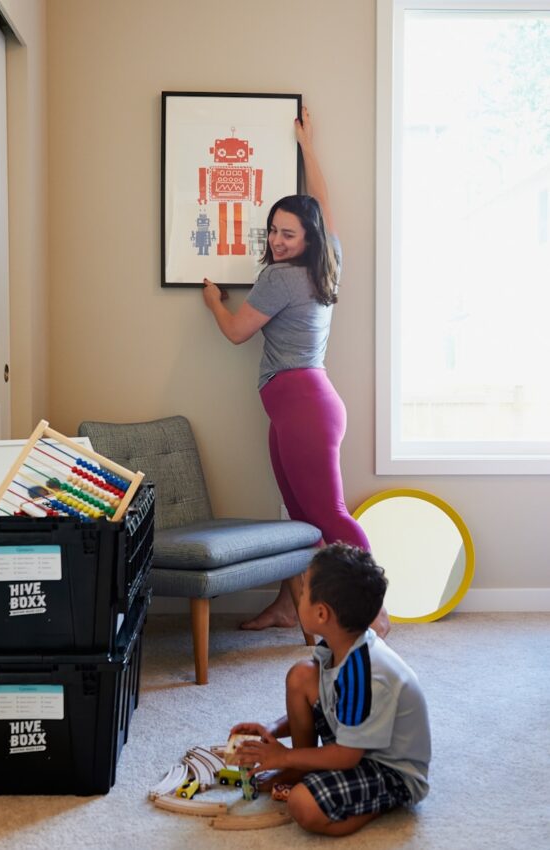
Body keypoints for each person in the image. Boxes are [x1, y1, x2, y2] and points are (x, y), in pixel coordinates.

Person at [202, 106, 389, 636]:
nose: (278, 241)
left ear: (306, 237)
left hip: (303, 407)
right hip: (301, 407)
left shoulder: (281, 279)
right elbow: (324, 205)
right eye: (274, 232)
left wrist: (215, 302)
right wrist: (307, 146)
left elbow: (238, 331)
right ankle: (291, 605)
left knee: (328, 515)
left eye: (289, 233)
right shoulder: (328, 253)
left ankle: (375, 610)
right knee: (299, 519)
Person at [229, 543, 431, 837]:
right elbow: (326, 699)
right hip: (358, 742)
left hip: (389, 770)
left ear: (321, 614)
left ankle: (379, 804)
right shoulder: (341, 644)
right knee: (301, 675)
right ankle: (305, 765)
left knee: (304, 805)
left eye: (303, 592)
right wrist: (272, 730)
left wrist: (283, 758)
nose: (299, 595)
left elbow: (347, 757)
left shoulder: (364, 674)